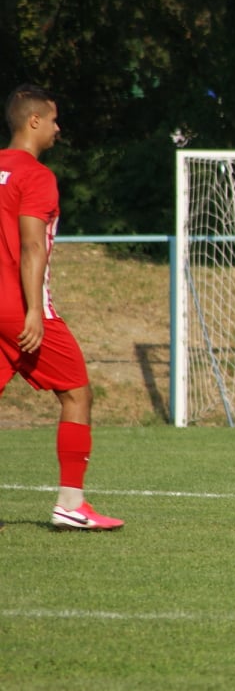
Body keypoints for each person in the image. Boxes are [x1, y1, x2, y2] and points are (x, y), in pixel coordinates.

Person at [0, 85, 125, 531]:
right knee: (76, 392)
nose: (58, 128)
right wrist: (35, 310)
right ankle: (71, 503)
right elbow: (32, 246)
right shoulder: (36, 176)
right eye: (53, 120)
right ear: (34, 121)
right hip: (17, 307)